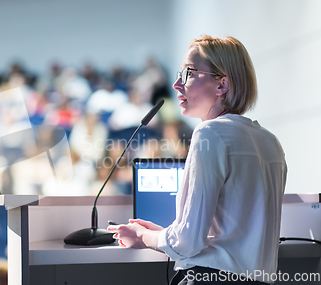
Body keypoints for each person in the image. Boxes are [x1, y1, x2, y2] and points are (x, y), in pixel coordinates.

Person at [108, 35, 287, 284]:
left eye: (188, 74)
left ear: (222, 85)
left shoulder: (210, 133)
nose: (176, 84)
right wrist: (164, 234)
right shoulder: (270, 141)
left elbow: (188, 243)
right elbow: (231, 236)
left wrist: (142, 237)